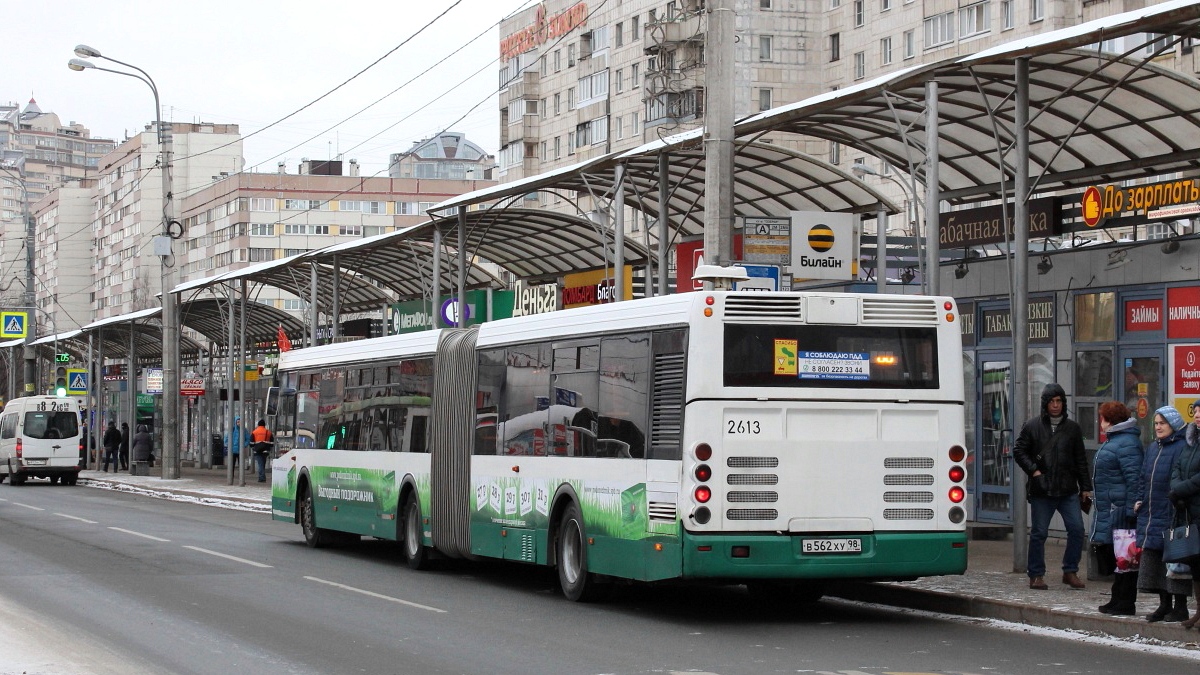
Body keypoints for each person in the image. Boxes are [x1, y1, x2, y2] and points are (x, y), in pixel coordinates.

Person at [1013, 383, 1092, 590]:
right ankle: (1036, 575)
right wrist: (1034, 471)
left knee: (1077, 529)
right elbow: (1019, 451)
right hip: (1042, 489)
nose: (1055, 405)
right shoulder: (1032, 426)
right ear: (1045, 404)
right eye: (1052, 401)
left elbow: (1081, 459)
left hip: (1067, 489)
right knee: (1039, 532)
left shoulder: (1072, 428)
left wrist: (1085, 486)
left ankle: (1070, 570)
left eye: (1059, 401)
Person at [1135, 405, 1192, 623]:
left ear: (1173, 425)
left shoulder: (1181, 447)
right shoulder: (1152, 448)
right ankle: (1163, 605)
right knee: (1157, 561)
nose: (1158, 427)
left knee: (1175, 560)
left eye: (1162, 423)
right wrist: (1140, 499)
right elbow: (1143, 476)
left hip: (1171, 511)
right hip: (1151, 512)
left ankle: (1180, 607)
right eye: (1156, 424)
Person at [1090, 401, 1143, 615]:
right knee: (1117, 558)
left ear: (1109, 420)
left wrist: (1131, 510)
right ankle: (1117, 598)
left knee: (1125, 558)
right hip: (1111, 508)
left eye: (1101, 418)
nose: (1099, 422)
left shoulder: (1126, 443)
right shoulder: (1117, 440)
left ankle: (1125, 602)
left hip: (1120, 510)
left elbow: (1134, 478)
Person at [1173, 399, 1200, 629]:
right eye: (1197, 411)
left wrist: (1179, 489)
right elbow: (1178, 469)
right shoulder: (1190, 442)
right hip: (1190, 512)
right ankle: (1199, 612)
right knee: (1196, 565)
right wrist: (1176, 489)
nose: (1198, 415)